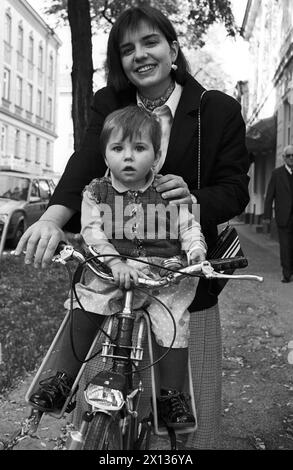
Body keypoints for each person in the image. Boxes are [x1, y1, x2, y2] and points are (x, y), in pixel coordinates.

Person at [15, 5, 249, 448]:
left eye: (150, 42)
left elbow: (235, 189)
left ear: (173, 49)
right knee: (103, 377)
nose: (139, 55)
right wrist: (51, 218)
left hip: (176, 271)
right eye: (127, 49)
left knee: (181, 401)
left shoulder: (215, 109)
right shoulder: (110, 104)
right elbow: (84, 163)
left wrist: (193, 199)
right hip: (116, 264)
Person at [29, 105, 207, 428]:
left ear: (156, 155)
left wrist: (195, 249)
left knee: (175, 321)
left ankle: (171, 397)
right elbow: (92, 231)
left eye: (139, 148)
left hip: (160, 276)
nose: (128, 157)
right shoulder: (96, 191)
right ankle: (61, 380)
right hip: (112, 270)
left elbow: (189, 226)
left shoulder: (168, 190)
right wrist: (113, 261)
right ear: (105, 154)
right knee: (86, 302)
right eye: (118, 148)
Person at [263, 144, 293, 283]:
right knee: (285, 247)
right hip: (283, 217)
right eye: (289, 155)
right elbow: (269, 196)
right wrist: (267, 217)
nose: (291, 158)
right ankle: (286, 274)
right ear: (284, 158)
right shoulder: (277, 174)